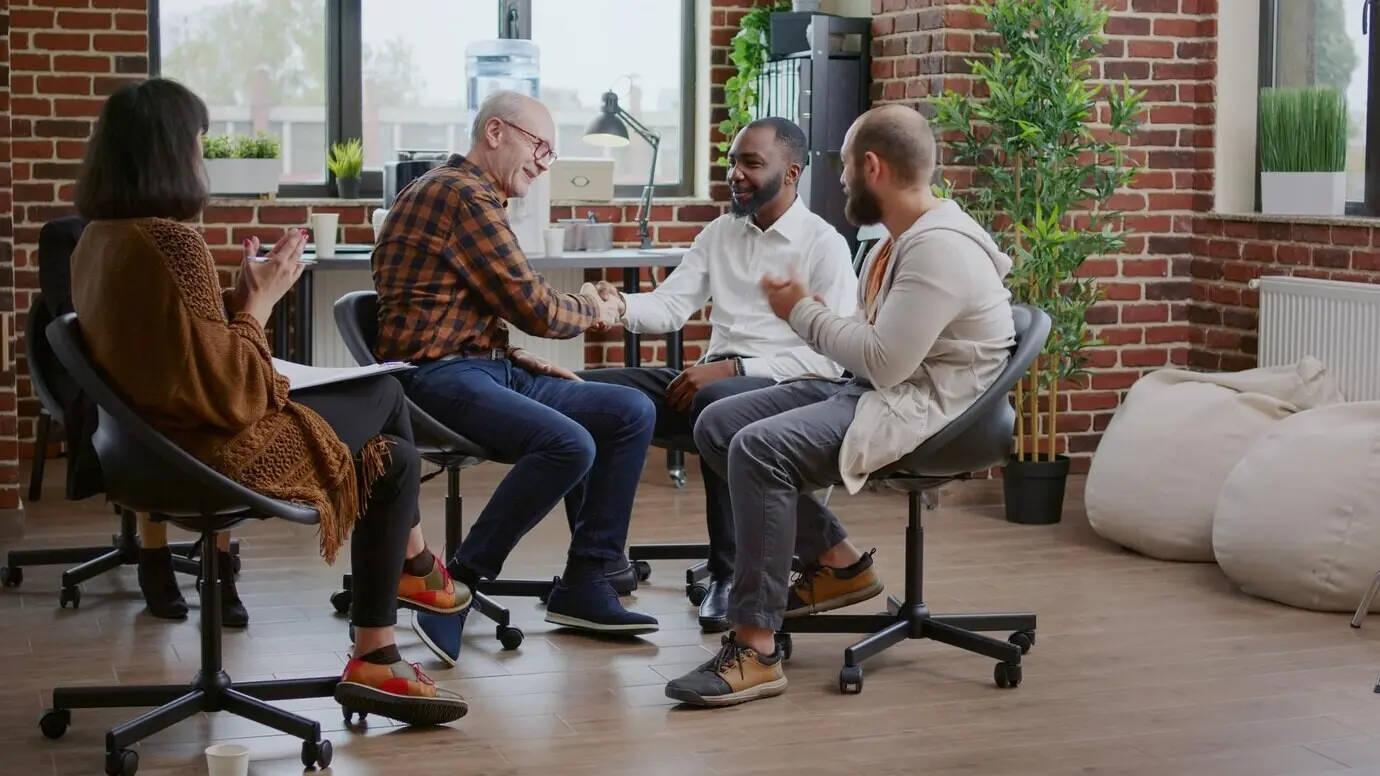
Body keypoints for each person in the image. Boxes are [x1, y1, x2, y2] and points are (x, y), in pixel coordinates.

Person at [68, 77, 470, 725]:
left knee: (392, 457)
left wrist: (233, 296)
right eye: (199, 143)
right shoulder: (172, 242)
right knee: (387, 388)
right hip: (207, 449)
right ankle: (416, 571)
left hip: (143, 453)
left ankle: (380, 651)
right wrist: (260, 302)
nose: (203, 156)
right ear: (172, 151)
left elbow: (176, 344)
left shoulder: (98, 240)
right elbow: (232, 391)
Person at [664, 104, 1018, 707]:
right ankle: (842, 562)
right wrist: (809, 318)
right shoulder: (902, 239)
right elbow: (868, 348)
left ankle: (755, 648)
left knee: (758, 447)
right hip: (875, 386)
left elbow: (883, 361)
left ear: (872, 167)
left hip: (922, 409)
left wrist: (799, 310)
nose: (841, 179)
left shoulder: (938, 249)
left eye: (846, 166)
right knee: (720, 421)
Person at [371, 89, 660, 665]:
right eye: (539, 147)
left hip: (481, 367)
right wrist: (595, 307)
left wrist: (519, 358)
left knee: (630, 410)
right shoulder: (462, 196)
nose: (543, 163)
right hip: (436, 379)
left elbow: (481, 310)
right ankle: (457, 588)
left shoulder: (464, 194)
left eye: (552, 153)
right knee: (569, 441)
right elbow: (538, 308)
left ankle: (587, 580)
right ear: (496, 132)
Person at [579, 117, 857, 633]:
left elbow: (830, 360)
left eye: (751, 163)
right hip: (715, 378)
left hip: (786, 389)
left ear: (792, 172)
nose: (735, 173)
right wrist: (617, 306)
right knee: (590, 393)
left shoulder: (824, 246)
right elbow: (669, 306)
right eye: (733, 161)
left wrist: (734, 368)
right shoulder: (720, 232)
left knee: (718, 402)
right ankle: (597, 567)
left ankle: (729, 574)